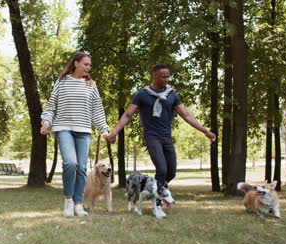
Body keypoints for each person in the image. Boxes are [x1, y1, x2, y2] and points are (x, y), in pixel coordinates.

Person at [106, 64, 216, 218]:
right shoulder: (143, 94)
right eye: (163, 76)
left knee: (171, 171)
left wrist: (205, 131)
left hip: (166, 136)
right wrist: (114, 132)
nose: (166, 79)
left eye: (168, 76)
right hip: (152, 136)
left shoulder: (172, 95)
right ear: (155, 76)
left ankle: (153, 190)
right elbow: (128, 115)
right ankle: (157, 205)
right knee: (162, 169)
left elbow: (186, 115)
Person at [40, 51, 109, 217]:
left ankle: (79, 204)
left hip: (84, 130)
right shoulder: (62, 82)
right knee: (70, 163)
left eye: (89, 65)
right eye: (86, 64)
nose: (88, 68)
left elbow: (97, 110)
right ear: (76, 63)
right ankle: (68, 202)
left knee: (82, 167)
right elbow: (51, 106)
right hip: (64, 128)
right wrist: (46, 122)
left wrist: (104, 130)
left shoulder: (91, 85)